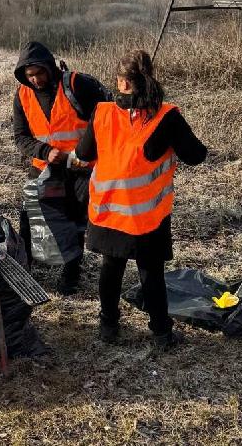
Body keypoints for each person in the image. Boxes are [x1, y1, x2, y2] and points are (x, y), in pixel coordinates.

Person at [75, 49, 207, 350]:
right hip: (147, 215)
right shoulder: (167, 117)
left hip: (108, 210)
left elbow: (83, 154)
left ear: (122, 83)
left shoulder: (102, 112)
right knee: (151, 273)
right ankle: (162, 335)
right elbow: (196, 156)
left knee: (111, 268)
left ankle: (108, 326)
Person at [13, 41, 110, 295]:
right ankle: (24, 271)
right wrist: (45, 151)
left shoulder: (78, 85)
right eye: (29, 75)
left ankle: (71, 273)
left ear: (49, 66)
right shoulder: (22, 95)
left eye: (39, 73)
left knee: (73, 222)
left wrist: (84, 153)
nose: (35, 80)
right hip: (44, 167)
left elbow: (105, 121)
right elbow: (20, 136)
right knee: (29, 220)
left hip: (79, 168)